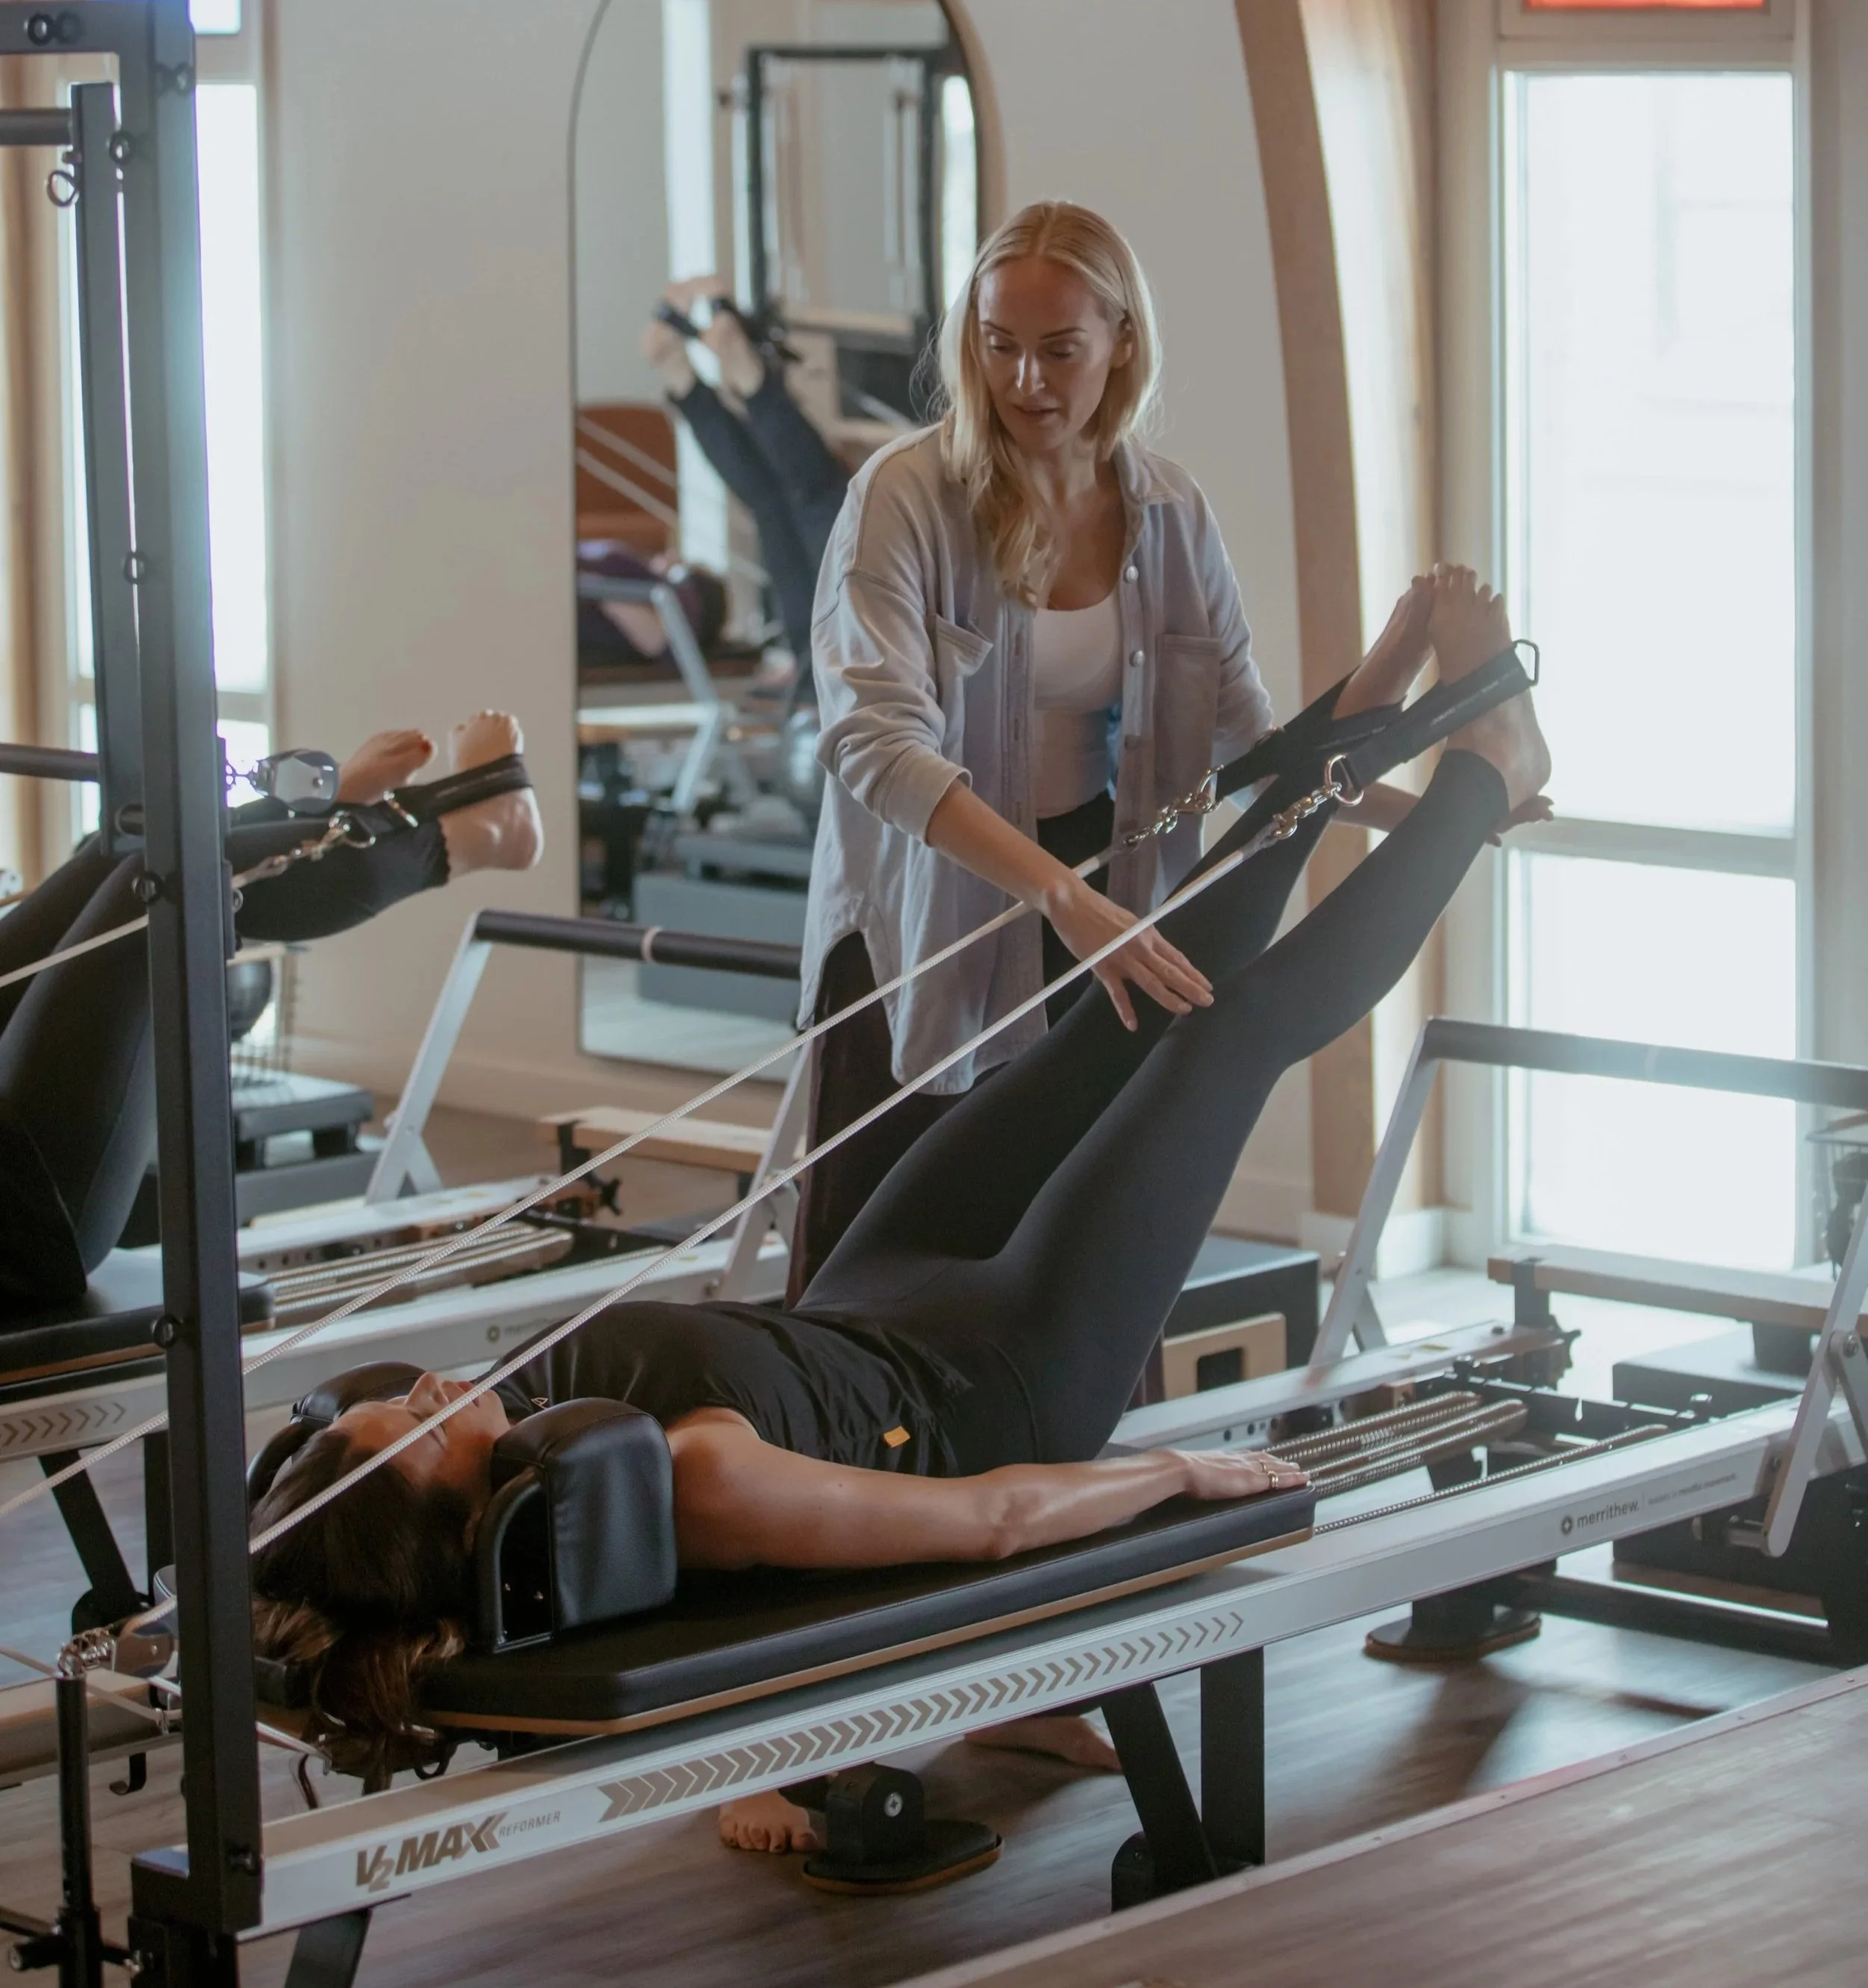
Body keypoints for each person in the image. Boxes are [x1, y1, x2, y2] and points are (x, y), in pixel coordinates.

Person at [249, 570, 1551, 1798]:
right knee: (1225, 1033)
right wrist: (1181, 1481)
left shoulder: (544, 1436)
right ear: (466, 1516)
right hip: (1007, 1375)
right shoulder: (690, 1483)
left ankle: (1367, 714)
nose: (423, 1391)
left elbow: (313, 1516)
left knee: (1127, 994)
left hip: (875, 1299)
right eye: (416, 1434)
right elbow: (990, 1522)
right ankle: (1486, 780)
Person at [790, 200, 1440, 1302]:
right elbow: (873, 743)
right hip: (929, 919)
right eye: (998, 347)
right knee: (878, 1266)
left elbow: (1251, 746)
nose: (1025, 381)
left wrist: (1436, 810)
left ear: (1122, 344)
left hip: (1103, 902)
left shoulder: (1171, 513)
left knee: (1067, 1259)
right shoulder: (903, 497)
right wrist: (1061, 898)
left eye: (1058, 351)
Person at [0, 711, 542, 1307]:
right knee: (158, 892)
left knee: (122, 850)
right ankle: (463, 834)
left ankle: (330, 813)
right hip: (24, 1229)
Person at [642, 277, 853, 673]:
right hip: (833, 669)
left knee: (777, 504)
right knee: (813, 497)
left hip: (820, 670)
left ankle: (694, 384)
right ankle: (735, 382)